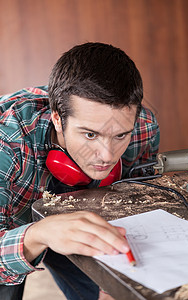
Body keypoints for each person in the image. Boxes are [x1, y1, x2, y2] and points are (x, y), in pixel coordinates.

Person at [0, 42, 160, 300]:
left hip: (83, 221)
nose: (107, 156)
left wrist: (115, 280)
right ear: (57, 120)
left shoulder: (142, 127)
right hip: (9, 220)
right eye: (90, 134)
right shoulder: (7, 143)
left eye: (120, 135)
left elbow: (135, 212)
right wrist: (39, 233)